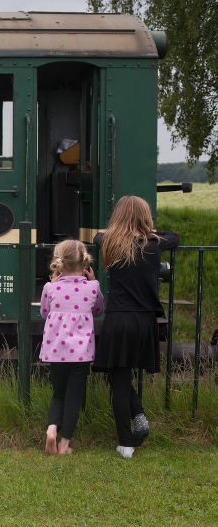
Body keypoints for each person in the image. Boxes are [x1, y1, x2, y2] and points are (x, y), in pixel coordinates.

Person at [93, 196, 180, 459]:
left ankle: (126, 442)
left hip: (119, 319)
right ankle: (139, 414)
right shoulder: (155, 245)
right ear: (145, 217)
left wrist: (120, 229)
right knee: (120, 376)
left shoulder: (109, 242)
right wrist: (147, 231)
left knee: (118, 379)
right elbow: (174, 236)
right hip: (145, 321)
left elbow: (98, 235)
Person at [40, 239, 105, 455]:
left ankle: (51, 430)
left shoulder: (50, 287)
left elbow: (44, 312)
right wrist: (94, 281)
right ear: (85, 264)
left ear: (59, 264)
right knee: (74, 398)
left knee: (58, 394)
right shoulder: (92, 287)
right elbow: (98, 311)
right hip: (80, 355)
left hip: (56, 352)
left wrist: (53, 283)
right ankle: (64, 444)